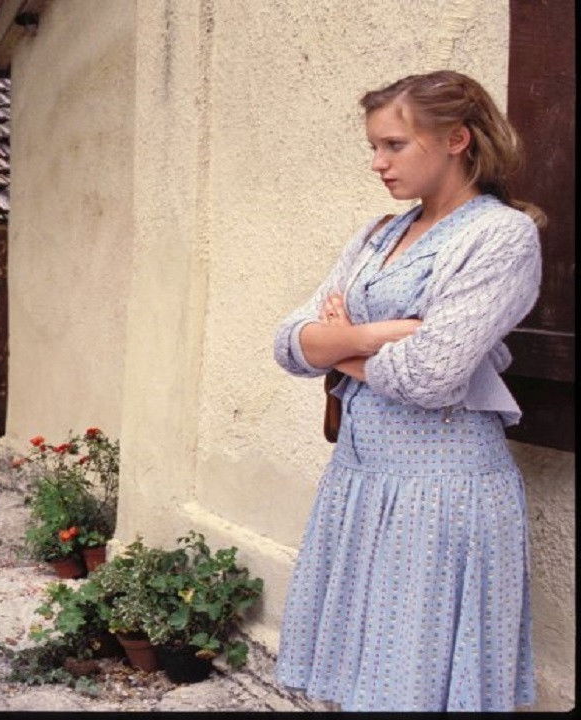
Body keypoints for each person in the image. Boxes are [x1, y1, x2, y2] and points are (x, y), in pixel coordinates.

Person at [272, 70, 543, 711]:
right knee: (363, 678)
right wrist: (380, 334)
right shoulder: (378, 236)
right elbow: (289, 343)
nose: (377, 163)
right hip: (360, 481)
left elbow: (431, 376)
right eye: (374, 146)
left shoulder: (500, 236)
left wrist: (340, 342)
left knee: (414, 684)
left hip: (441, 496)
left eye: (394, 145)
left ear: (456, 140)